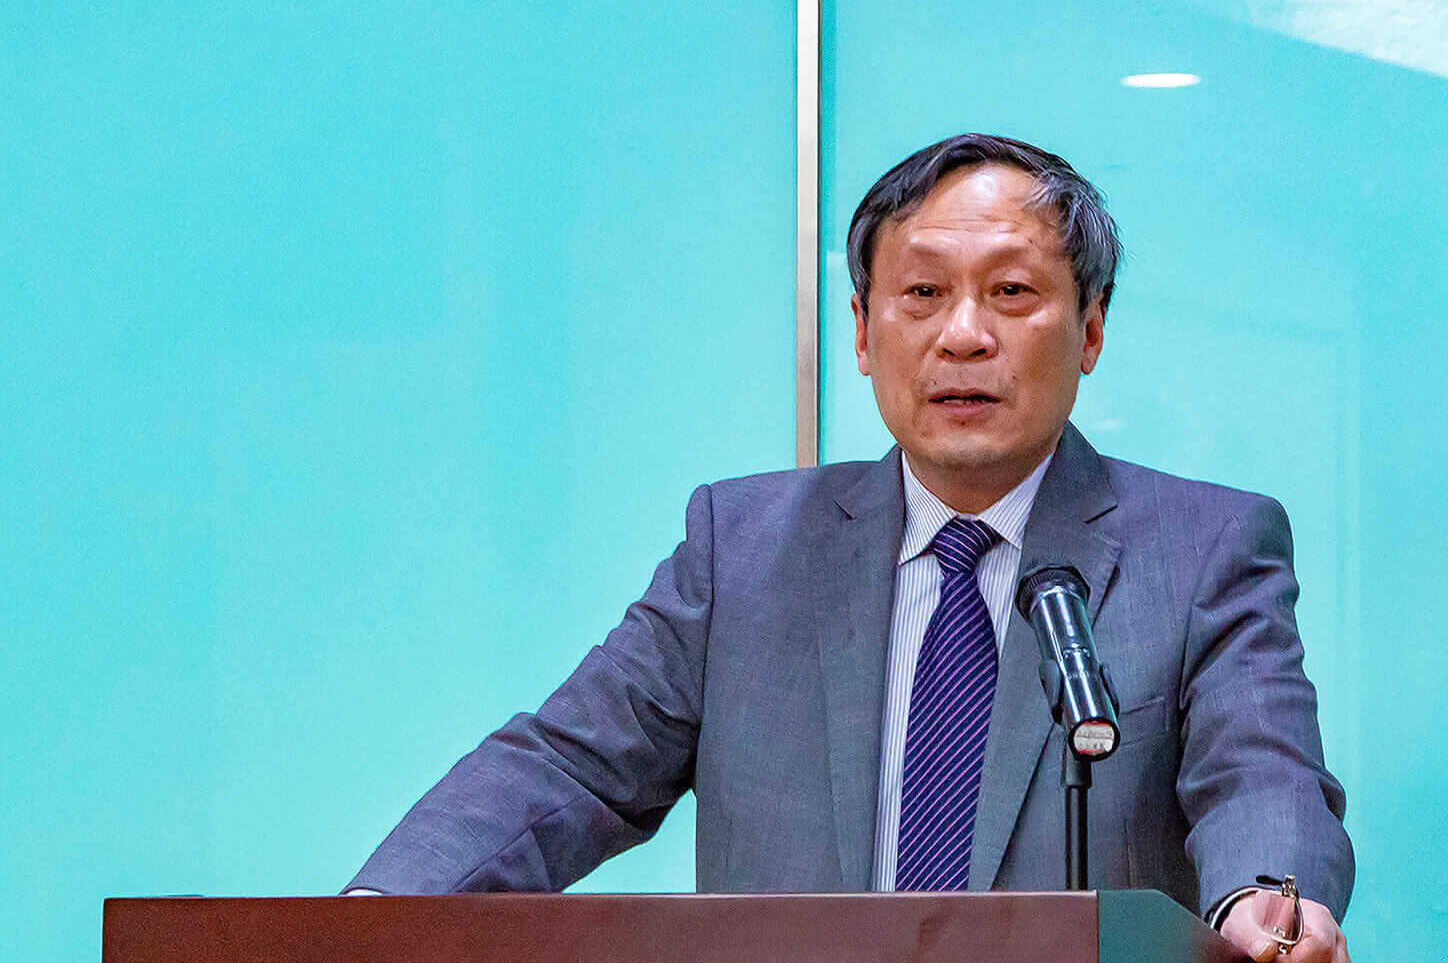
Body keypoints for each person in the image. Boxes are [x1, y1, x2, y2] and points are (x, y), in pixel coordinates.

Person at [345, 134, 1354, 962]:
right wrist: (374, 916)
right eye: (921, 295)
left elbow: (1259, 770)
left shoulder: (1204, 549)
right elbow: (571, 767)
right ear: (865, 333)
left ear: (1090, 329)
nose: (963, 335)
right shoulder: (742, 549)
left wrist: (1268, 902)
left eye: (1012, 293)